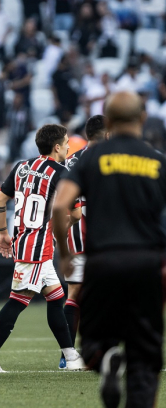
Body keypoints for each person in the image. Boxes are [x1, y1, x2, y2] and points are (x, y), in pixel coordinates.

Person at [52, 92, 165, 408]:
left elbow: (61, 205)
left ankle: (105, 361)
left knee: (95, 343)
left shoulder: (90, 158)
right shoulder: (157, 160)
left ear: (109, 121)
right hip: (147, 262)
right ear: (142, 119)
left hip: (102, 261)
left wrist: (63, 253)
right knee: (144, 357)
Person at [0, 124, 84, 373]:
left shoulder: (22, 167)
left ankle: (70, 356)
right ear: (57, 147)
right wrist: (62, 225)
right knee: (17, 301)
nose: (69, 146)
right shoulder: (62, 173)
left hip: (27, 242)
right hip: (36, 247)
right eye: (66, 142)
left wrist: (3, 233)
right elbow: (77, 213)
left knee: (57, 299)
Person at [59, 115, 108, 370]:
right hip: (107, 237)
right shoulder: (115, 160)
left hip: (76, 235)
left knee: (75, 293)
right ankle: (101, 349)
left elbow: (61, 203)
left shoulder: (71, 162)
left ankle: (68, 355)